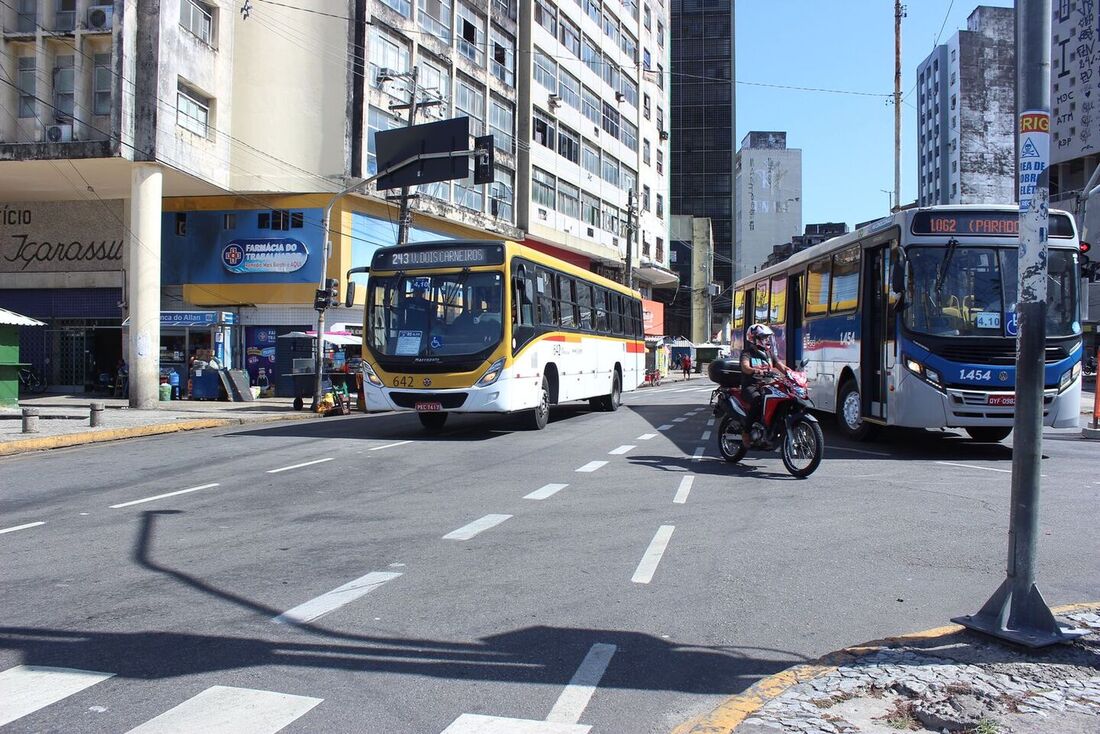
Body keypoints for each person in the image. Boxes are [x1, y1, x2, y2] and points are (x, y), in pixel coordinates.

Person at [740, 323, 790, 448]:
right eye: (764, 337)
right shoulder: (748, 353)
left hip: (767, 385)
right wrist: (754, 370)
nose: (767, 340)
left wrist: (792, 373)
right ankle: (746, 432)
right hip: (751, 386)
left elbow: (781, 367)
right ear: (754, 338)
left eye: (768, 337)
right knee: (758, 401)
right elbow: (745, 367)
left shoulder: (769, 353)